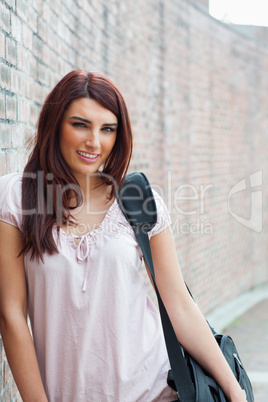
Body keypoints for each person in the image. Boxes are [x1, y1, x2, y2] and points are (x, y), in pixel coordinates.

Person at [0, 70, 246, 402]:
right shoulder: (17, 198)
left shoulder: (140, 202)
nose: (94, 142)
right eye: (80, 124)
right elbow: (11, 315)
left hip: (153, 391)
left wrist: (234, 390)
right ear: (55, 124)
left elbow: (179, 305)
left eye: (107, 129)